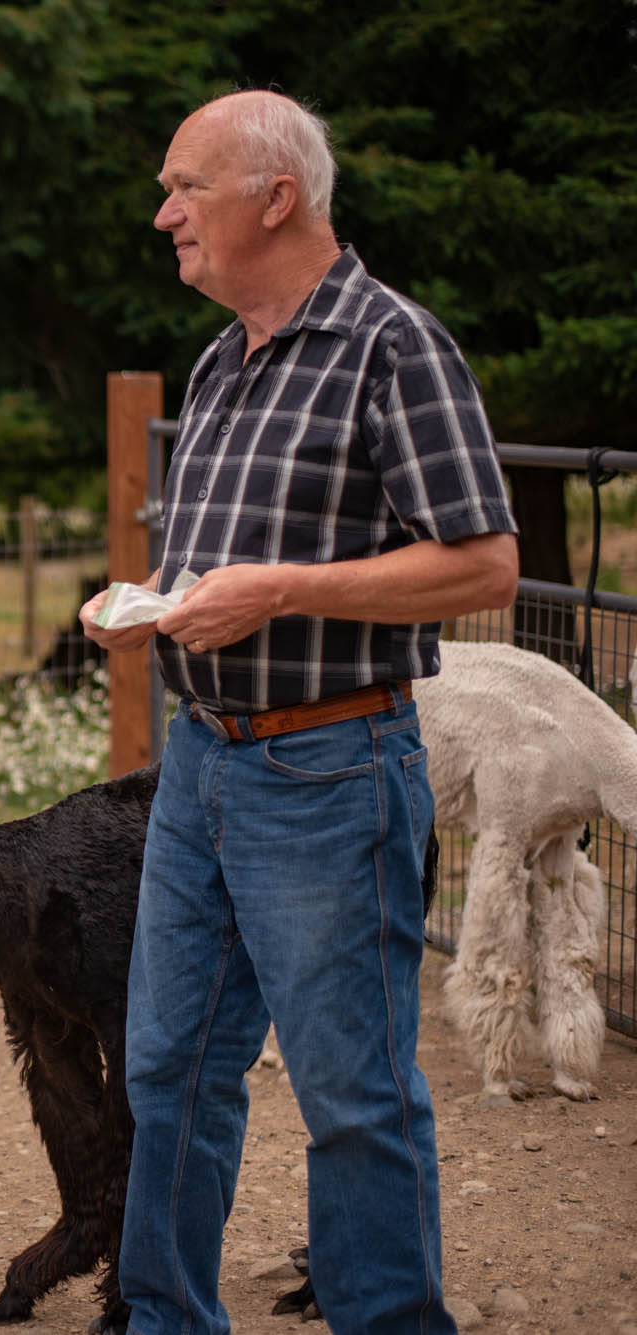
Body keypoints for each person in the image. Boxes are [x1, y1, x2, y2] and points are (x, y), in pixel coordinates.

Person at [82, 91, 518, 1334]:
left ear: (274, 198)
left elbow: (483, 564)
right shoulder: (222, 360)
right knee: (168, 1069)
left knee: (351, 1094)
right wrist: (154, 603)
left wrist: (278, 592)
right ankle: (164, 1319)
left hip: (329, 769)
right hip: (199, 769)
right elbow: (227, 568)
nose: (162, 215)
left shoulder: (393, 347)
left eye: (184, 187)